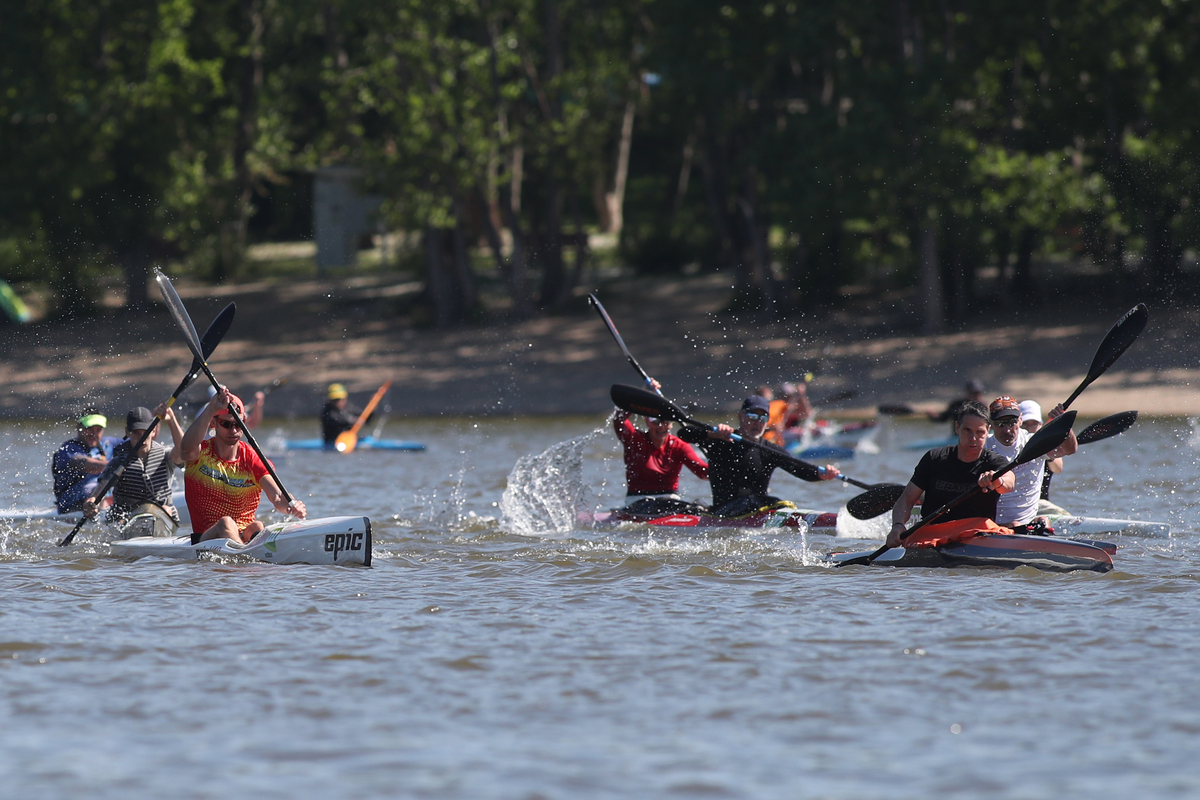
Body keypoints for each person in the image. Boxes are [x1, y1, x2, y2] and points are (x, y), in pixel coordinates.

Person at [678, 395, 840, 517]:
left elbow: (799, 469)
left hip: (757, 510)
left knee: (775, 502)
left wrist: (823, 474)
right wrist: (712, 433)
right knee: (767, 501)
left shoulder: (769, 450)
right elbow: (684, 433)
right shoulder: (721, 440)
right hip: (724, 510)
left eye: (763, 418)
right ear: (741, 416)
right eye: (752, 417)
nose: (757, 423)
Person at [181, 388, 306, 544]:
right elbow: (185, 449)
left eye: (238, 424)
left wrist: (292, 505)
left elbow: (278, 495)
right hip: (205, 538)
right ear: (214, 423)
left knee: (257, 526)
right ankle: (244, 559)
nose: (233, 430)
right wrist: (211, 408)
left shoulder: (252, 458)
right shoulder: (200, 454)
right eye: (227, 424)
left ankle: (248, 558)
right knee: (226, 523)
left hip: (244, 537)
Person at [887, 400, 1015, 548]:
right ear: (957, 428)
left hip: (977, 534)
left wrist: (996, 481)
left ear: (988, 431)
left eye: (980, 432)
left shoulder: (994, 462)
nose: (973, 439)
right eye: (967, 430)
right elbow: (907, 499)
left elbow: (1009, 483)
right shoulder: (934, 458)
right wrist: (897, 526)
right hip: (933, 535)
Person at [612, 379, 709, 510]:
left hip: (671, 501)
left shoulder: (679, 445)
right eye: (656, 421)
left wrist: (723, 465)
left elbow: (703, 472)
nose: (662, 426)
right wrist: (643, 393)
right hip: (637, 502)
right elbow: (619, 420)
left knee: (699, 507)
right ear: (647, 421)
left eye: (666, 421)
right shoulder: (634, 440)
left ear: (672, 423)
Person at [84, 405, 186, 528]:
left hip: (162, 518)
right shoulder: (118, 461)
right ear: (127, 432)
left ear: (153, 431)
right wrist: (92, 502)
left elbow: (185, 450)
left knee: (165, 508)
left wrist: (171, 420)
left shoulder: (166, 456)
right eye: (137, 433)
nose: (142, 438)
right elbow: (101, 488)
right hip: (126, 521)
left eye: (146, 432)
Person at [986, 396, 1076, 533]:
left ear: (1020, 420)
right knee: (1015, 524)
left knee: (1042, 521)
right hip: (992, 525)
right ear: (990, 424)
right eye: (1000, 423)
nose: (1007, 430)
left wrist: (1064, 425)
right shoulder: (983, 447)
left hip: (1026, 524)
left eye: (1012, 422)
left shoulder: (1033, 443)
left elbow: (1070, 449)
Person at [51, 410, 118, 513]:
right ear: (78, 427)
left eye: (98, 430)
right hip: (71, 505)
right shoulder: (68, 448)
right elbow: (87, 465)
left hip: (100, 499)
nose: (94, 434)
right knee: (94, 488)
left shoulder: (108, 443)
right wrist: (115, 465)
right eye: (89, 429)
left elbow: (138, 440)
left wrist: (150, 423)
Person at [1019, 400, 1065, 504]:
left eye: (1034, 424)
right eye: (1025, 424)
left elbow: (1058, 468)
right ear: (1018, 424)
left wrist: (1045, 452)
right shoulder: (1012, 446)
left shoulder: (1048, 445)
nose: (1030, 429)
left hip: (1041, 504)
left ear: (1041, 425)